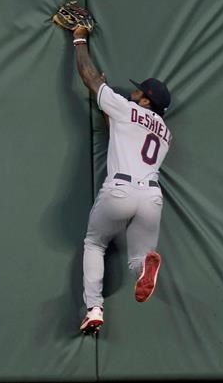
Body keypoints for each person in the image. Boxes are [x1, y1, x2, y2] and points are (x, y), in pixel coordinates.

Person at [71, 26, 173, 334]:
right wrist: (109, 105)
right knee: (137, 260)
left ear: (145, 101)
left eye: (139, 92)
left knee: (94, 242)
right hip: (152, 198)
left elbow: (89, 78)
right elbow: (120, 126)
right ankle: (144, 267)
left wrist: (78, 39)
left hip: (120, 190)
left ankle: (94, 309)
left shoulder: (127, 109)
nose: (134, 92)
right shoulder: (167, 134)